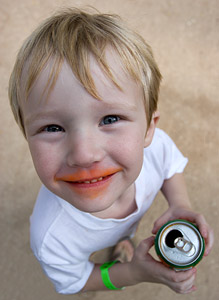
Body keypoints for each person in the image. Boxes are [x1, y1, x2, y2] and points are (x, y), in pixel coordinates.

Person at [8, 8, 213, 295]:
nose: (83, 154)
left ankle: (124, 238)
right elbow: (75, 281)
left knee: (126, 234)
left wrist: (179, 204)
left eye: (110, 119)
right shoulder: (51, 238)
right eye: (53, 128)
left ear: (148, 129)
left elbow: (170, 165)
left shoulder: (156, 148)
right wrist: (133, 272)